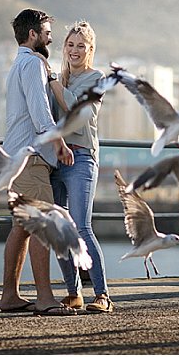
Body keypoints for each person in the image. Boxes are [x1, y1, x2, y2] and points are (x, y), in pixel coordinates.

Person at [0, 8, 75, 316]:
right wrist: (60, 142)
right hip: (30, 159)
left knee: (21, 228)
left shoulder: (19, 63)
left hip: (16, 159)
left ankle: (9, 296)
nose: (50, 39)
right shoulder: (31, 63)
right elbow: (40, 111)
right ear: (33, 35)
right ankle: (45, 298)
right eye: (47, 33)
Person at [40, 21, 115, 313]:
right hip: (54, 160)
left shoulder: (96, 78)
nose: (74, 50)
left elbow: (75, 109)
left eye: (81, 46)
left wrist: (53, 81)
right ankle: (73, 294)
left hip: (81, 158)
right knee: (60, 229)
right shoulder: (59, 79)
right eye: (70, 45)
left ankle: (103, 295)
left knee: (82, 227)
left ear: (90, 49)